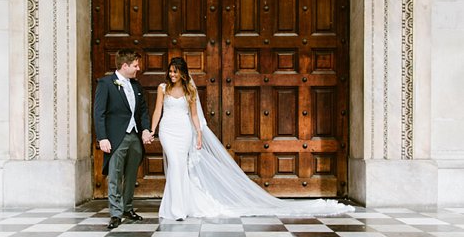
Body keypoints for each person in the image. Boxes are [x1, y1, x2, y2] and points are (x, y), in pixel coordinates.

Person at [149, 56, 355, 220]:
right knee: (175, 164)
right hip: (168, 130)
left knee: (180, 167)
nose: (171, 74)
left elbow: (194, 115)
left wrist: (199, 134)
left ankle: (178, 208)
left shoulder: (189, 90)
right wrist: (152, 130)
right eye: (170, 71)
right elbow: (158, 110)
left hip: (185, 131)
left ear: (182, 73)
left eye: (175, 71)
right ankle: (175, 208)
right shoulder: (162, 88)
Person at [93, 49, 153, 229]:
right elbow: (99, 113)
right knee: (115, 176)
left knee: (131, 174)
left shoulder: (136, 85)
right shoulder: (106, 84)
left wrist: (145, 130)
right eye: (135, 65)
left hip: (134, 137)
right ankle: (115, 213)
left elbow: (142, 111)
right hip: (116, 138)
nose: (139, 69)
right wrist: (102, 138)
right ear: (125, 65)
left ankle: (127, 208)